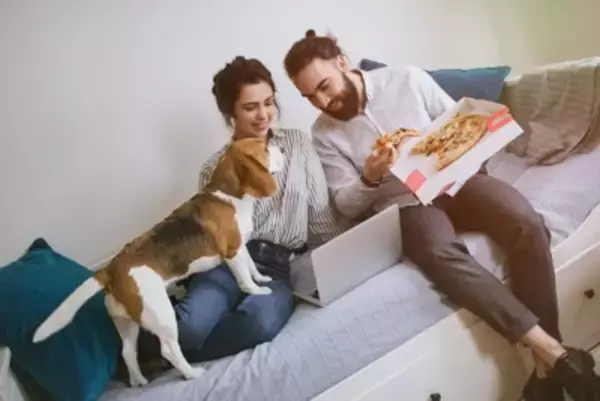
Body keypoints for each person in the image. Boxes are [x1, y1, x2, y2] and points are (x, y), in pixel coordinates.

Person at [283, 29, 600, 401]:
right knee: (440, 254)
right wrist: (370, 176)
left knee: (527, 223)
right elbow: (345, 205)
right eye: (310, 96)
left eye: (324, 86)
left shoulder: (407, 79)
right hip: (405, 204)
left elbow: (464, 126)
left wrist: (442, 148)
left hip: (458, 180)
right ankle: (555, 353)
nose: (323, 101)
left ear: (342, 63)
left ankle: (545, 370)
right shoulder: (324, 135)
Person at [133, 56, 342, 371]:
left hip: (278, 267)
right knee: (191, 326)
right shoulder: (214, 168)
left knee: (260, 323)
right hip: (226, 263)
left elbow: (322, 220)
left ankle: (168, 355)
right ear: (229, 113)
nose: (263, 115)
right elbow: (212, 236)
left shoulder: (298, 144)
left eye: (268, 102)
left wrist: (341, 263)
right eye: (250, 107)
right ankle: (137, 343)